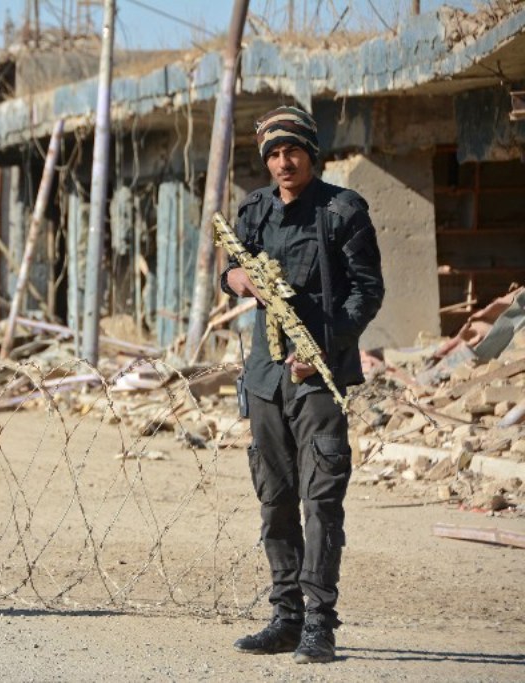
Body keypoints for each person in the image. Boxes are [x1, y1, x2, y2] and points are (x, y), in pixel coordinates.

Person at [221, 106, 385, 664]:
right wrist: (235, 279)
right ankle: (285, 617)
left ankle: (320, 623)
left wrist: (323, 350)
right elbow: (232, 267)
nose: (283, 162)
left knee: (320, 501)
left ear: (311, 155)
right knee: (275, 500)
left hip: (319, 376)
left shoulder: (343, 210)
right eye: (273, 154)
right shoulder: (254, 209)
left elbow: (366, 291)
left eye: (292, 152)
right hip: (267, 377)